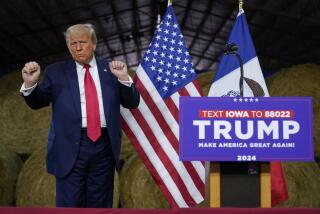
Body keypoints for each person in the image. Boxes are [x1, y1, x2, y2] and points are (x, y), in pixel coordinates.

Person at [20, 24, 140, 208]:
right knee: (70, 204)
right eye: (72, 43)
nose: (77, 47)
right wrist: (30, 84)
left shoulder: (111, 71)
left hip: (104, 146)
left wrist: (124, 78)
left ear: (93, 44)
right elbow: (38, 102)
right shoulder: (55, 72)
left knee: (99, 204)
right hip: (69, 146)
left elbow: (131, 102)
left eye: (82, 42)